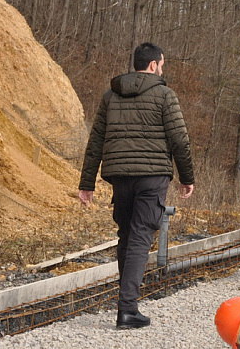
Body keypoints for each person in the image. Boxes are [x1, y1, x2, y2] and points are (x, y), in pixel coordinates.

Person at [79, 42, 194, 329]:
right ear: (154, 65)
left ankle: (126, 305)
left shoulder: (110, 95)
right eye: (162, 64)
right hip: (152, 175)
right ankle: (127, 309)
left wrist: (87, 182)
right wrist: (187, 177)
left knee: (127, 236)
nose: (162, 69)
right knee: (141, 237)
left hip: (119, 175)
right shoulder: (165, 95)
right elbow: (179, 139)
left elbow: (96, 141)